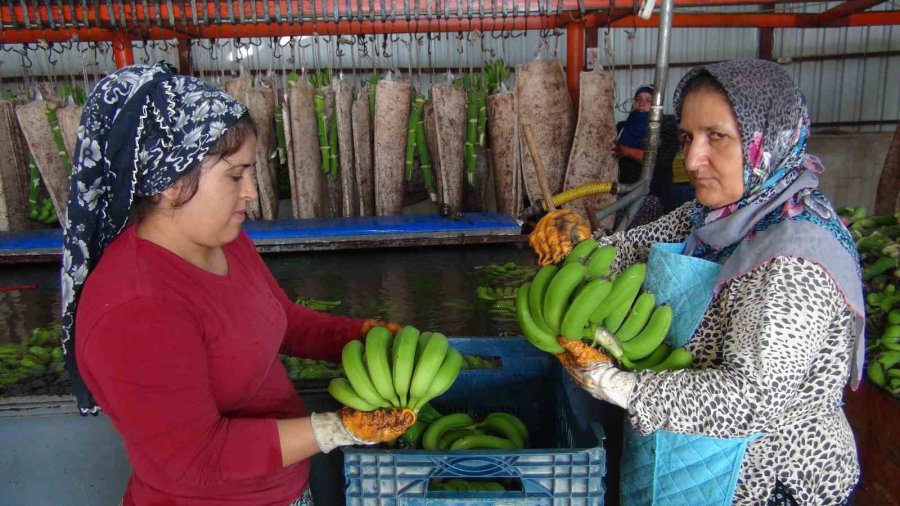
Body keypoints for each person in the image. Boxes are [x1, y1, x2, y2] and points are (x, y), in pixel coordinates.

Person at [60, 63, 415, 506]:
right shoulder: (135, 307)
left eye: (252, 171)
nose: (253, 191)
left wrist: (360, 334)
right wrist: (338, 429)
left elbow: (282, 320)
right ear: (169, 182)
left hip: (282, 489)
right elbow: (197, 458)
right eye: (235, 175)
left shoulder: (222, 239)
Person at [546, 59, 864, 504]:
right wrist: (577, 245)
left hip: (763, 481)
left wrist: (620, 386)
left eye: (717, 137)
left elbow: (750, 397)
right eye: (687, 138)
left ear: (766, 140)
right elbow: (632, 248)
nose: (693, 160)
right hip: (682, 452)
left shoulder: (796, 257)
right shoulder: (712, 214)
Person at [615, 85, 680, 224]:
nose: (641, 103)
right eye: (638, 99)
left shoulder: (666, 127)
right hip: (623, 196)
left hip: (654, 196)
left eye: (648, 100)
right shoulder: (622, 128)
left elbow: (659, 160)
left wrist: (625, 151)